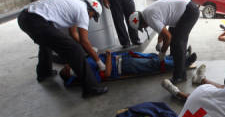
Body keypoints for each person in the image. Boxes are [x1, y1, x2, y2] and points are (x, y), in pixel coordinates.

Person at [18, 0, 108, 98]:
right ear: (91, 10)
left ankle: (44, 73)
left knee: (46, 43)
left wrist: (88, 49)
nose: (91, 18)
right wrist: (99, 62)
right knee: (75, 50)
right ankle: (91, 88)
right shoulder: (83, 12)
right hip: (36, 20)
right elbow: (84, 41)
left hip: (25, 17)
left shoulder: (75, 6)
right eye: (93, 16)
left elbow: (73, 34)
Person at [129, 0, 199, 84]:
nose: (144, 27)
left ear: (141, 23)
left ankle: (180, 76)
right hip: (186, 8)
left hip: (189, 12)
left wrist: (162, 53)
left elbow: (168, 37)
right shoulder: (146, 12)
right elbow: (162, 27)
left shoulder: (149, 18)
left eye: (142, 27)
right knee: (175, 43)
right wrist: (159, 42)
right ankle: (181, 57)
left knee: (177, 43)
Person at [60, 47, 197, 85]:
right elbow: (106, 74)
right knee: (154, 63)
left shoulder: (83, 63)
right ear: (70, 74)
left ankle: (180, 57)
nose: (68, 65)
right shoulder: (86, 73)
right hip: (123, 66)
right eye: (66, 68)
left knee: (153, 56)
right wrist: (108, 56)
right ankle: (184, 62)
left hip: (123, 58)